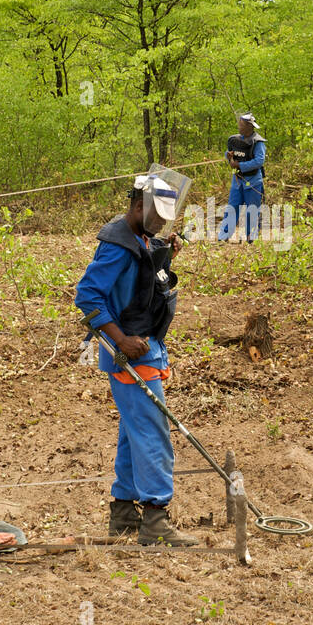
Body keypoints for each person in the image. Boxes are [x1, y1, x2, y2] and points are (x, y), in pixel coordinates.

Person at [74, 175, 198, 546]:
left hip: (146, 347)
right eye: (157, 215)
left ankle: (124, 512)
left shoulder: (140, 238)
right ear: (138, 206)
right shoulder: (117, 246)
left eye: (167, 217)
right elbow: (88, 296)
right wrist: (122, 339)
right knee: (153, 434)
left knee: (134, 431)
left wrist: (165, 252)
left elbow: (142, 274)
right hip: (130, 354)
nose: (161, 223)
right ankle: (156, 520)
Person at [218, 112, 266, 243]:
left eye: (241, 124)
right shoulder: (234, 140)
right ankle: (224, 236)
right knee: (232, 208)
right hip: (237, 181)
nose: (238, 126)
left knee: (252, 210)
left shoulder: (258, 142)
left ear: (249, 126)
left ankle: (252, 238)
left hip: (253, 182)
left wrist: (240, 165)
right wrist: (228, 156)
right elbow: (228, 153)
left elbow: (259, 161)